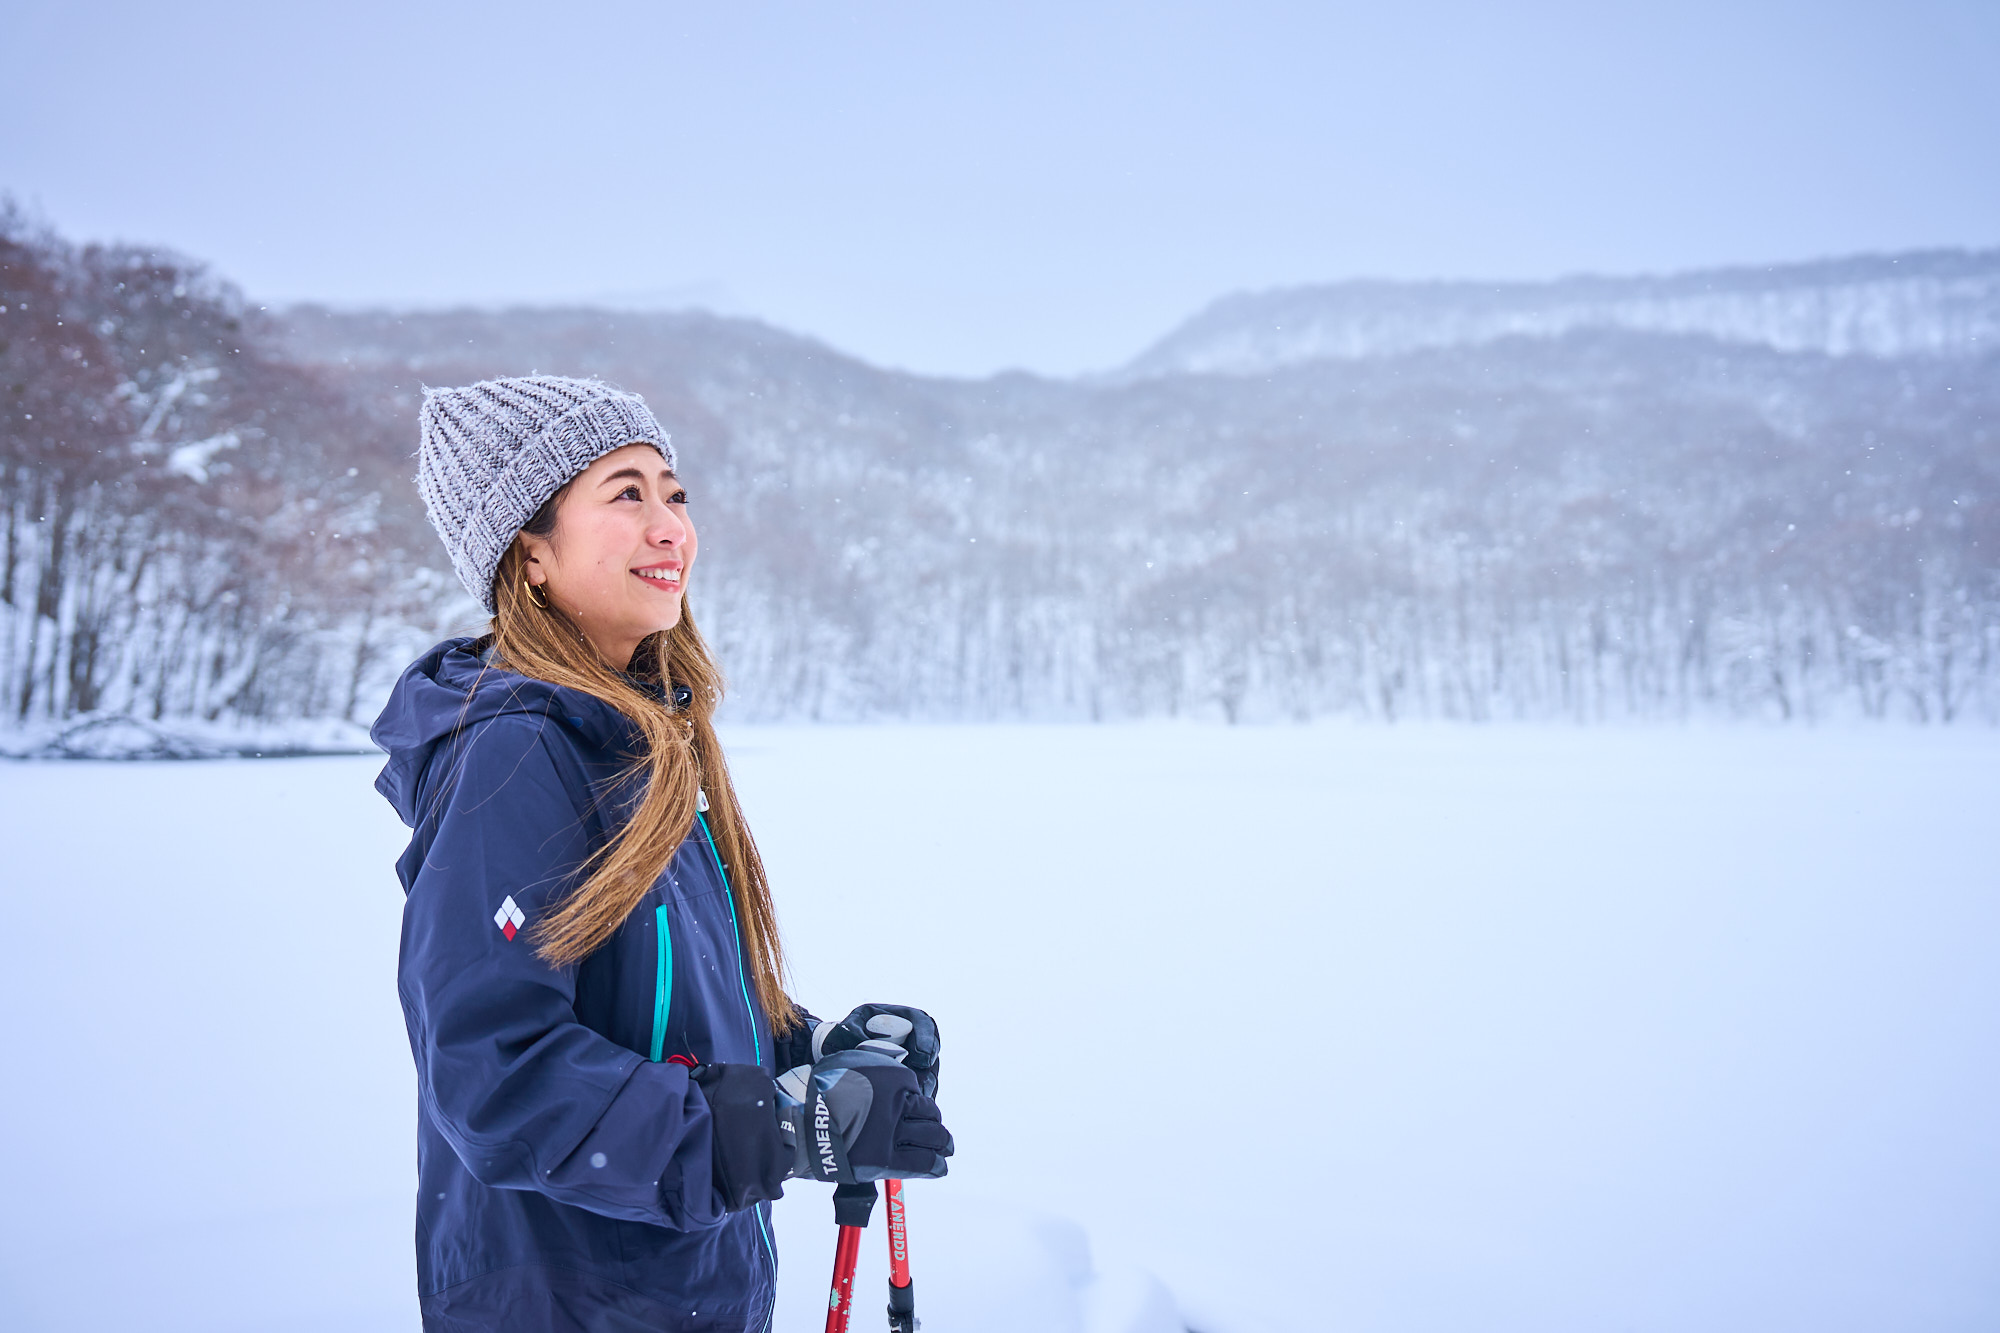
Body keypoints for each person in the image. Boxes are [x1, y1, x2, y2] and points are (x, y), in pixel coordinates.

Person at [371, 376, 953, 1333]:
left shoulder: (639, 741)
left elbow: (656, 1010)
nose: (670, 525)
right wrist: (774, 1127)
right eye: (625, 493)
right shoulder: (515, 753)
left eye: (674, 493)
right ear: (531, 556)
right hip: (571, 1301)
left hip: (678, 1289)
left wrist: (813, 1056)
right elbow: (493, 1072)